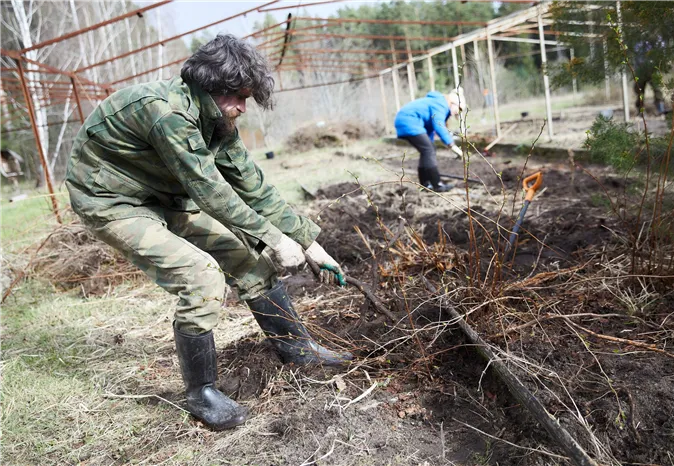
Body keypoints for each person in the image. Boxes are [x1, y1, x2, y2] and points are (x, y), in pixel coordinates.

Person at [65, 35, 352, 431]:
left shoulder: (218, 121)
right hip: (111, 201)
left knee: (248, 260)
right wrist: (273, 237)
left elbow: (253, 187)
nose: (241, 108)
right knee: (199, 275)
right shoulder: (166, 112)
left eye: (247, 98)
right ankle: (201, 393)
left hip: (162, 198)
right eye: (236, 96)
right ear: (208, 85)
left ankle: (297, 348)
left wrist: (310, 243)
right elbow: (210, 190)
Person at [394, 88, 465, 192]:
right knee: (429, 150)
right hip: (409, 121)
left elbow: (430, 130)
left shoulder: (438, 103)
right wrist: (451, 144)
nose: (456, 113)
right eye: (458, 109)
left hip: (406, 120)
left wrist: (431, 143)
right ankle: (437, 185)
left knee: (428, 149)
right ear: (453, 103)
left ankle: (425, 184)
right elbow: (439, 126)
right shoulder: (441, 104)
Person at [633, 37, 666, 115]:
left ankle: (660, 109)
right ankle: (640, 111)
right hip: (641, 69)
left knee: (658, 89)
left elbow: (662, 52)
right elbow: (636, 55)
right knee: (639, 91)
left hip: (654, 69)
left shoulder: (658, 40)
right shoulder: (638, 41)